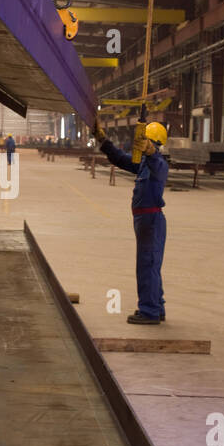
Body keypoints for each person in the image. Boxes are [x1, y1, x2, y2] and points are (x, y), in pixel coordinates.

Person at [95, 119, 169, 325]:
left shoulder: (158, 163)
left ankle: (149, 312)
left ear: (153, 143)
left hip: (151, 221)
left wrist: (151, 151)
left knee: (147, 265)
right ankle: (157, 306)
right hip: (144, 220)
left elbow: (159, 166)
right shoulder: (143, 164)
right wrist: (103, 140)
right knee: (151, 265)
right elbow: (120, 158)